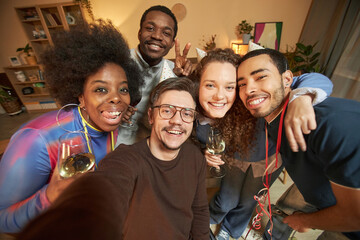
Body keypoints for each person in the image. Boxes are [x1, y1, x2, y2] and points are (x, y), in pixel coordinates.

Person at [17, 77, 209, 240]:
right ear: (151, 116)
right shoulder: (126, 159)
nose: (177, 120)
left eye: (186, 113)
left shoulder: (195, 157)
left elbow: (199, 209)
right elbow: (108, 188)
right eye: (167, 110)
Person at [0, 20, 143, 233]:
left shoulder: (110, 124)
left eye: (123, 90)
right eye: (101, 90)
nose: (116, 99)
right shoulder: (36, 140)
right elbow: (2, 219)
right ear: (80, 96)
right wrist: (49, 197)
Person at [189, 48, 333, 240]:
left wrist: (301, 98)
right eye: (210, 85)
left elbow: (317, 79)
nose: (219, 96)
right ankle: (213, 218)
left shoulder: (252, 99)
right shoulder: (195, 110)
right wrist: (202, 151)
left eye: (230, 86)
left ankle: (230, 230)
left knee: (248, 202)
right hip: (234, 159)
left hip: (268, 160)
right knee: (227, 200)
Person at [237, 48, 360, 240]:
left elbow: (354, 216)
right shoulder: (272, 111)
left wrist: (305, 221)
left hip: (350, 222)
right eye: (241, 84)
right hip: (319, 184)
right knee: (286, 209)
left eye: (260, 77)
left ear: (287, 80)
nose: (249, 89)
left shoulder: (331, 126)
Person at [117, 5, 193, 145]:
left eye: (166, 33)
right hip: (111, 142)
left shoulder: (174, 71)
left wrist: (178, 79)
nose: (157, 36)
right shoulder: (117, 62)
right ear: (139, 33)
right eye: (150, 28)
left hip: (150, 148)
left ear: (172, 43)